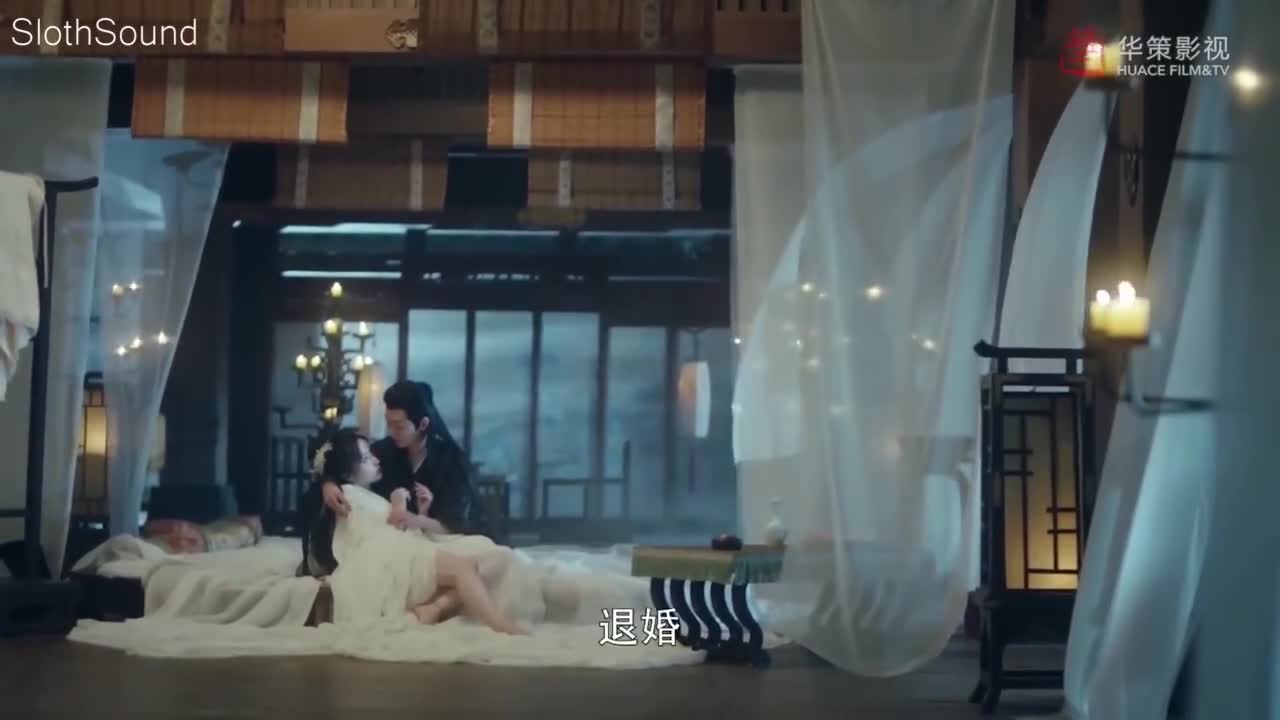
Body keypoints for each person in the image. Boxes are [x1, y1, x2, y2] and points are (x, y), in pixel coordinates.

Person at [309, 429, 527, 636]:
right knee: (464, 568)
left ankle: (434, 608)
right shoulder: (347, 495)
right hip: (390, 563)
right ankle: (499, 625)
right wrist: (398, 501)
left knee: (490, 560)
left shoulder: (366, 492)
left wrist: (421, 512)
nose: (375, 460)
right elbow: (384, 531)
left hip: (405, 552)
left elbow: (397, 527)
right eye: (366, 458)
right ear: (347, 473)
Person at [318, 381, 482, 536]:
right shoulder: (384, 450)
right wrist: (329, 483)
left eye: (399, 426)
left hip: (440, 539)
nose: (392, 431)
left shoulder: (450, 460)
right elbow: (348, 465)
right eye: (388, 424)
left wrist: (417, 520)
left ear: (423, 424)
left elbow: (456, 525)